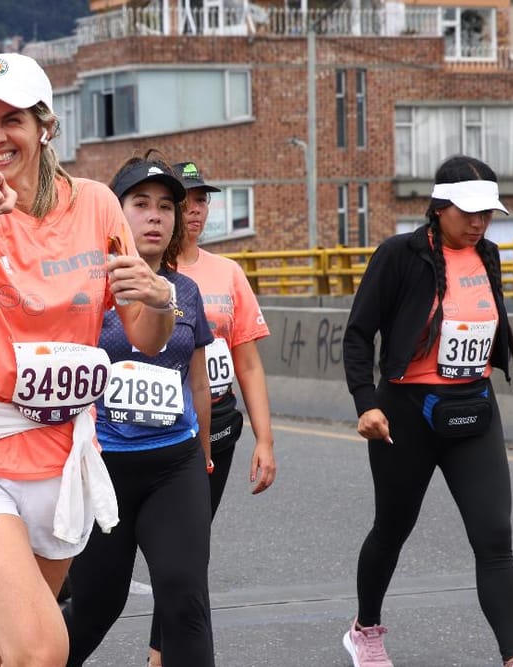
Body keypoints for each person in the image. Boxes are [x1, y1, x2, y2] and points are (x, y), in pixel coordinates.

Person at [0, 52, 176, 667]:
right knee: (43, 646)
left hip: (60, 452)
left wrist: (160, 298)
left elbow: (147, 338)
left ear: (45, 125)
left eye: (11, 120)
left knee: (2, 644)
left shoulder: (98, 206)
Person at [342, 155, 513, 667]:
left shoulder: (488, 254)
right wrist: (365, 403)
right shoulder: (398, 255)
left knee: (495, 536)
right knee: (392, 529)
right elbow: (358, 335)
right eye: (468, 212)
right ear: (439, 206)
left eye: (486, 213)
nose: (479, 222)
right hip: (405, 414)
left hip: (473, 407)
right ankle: (365, 629)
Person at [63, 154, 215, 666]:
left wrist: (204, 454)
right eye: (141, 204)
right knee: (96, 604)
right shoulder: (84, 286)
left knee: (185, 598)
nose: (155, 216)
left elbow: (197, 380)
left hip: (174, 464)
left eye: (166, 207)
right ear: (116, 213)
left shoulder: (185, 290)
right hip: (103, 467)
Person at [144, 161, 279, 666]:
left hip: (216, 432)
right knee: (149, 567)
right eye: (185, 200)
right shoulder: (144, 268)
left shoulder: (228, 273)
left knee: (188, 555)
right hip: (153, 435)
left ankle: (161, 654)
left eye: (202, 200)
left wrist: (265, 440)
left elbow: (248, 363)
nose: (195, 210)